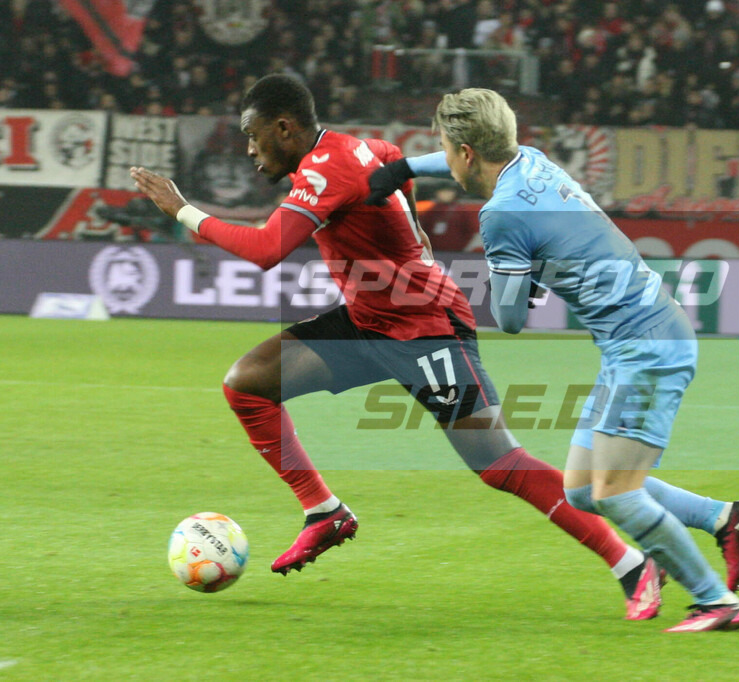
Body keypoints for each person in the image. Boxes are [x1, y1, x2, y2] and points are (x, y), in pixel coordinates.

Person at [130, 74, 664, 620]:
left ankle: (632, 563)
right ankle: (324, 512)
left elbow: (268, 248)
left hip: (425, 328)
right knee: (248, 384)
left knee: (499, 462)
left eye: (253, 135)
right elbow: (392, 167)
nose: (249, 149)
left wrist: (182, 209)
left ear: (284, 128)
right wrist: (412, 239)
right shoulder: (357, 149)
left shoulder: (326, 167)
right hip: (368, 321)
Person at [366, 88, 739, 633]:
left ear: (466, 153)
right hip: (637, 340)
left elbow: (509, 319)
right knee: (581, 488)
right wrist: (406, 169)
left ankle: (716, 602)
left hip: (646, 347)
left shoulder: (501, 215)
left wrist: (520, 279)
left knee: (616, 492)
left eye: (447, 150)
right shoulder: (531, 161)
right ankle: (725, 519)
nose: (447, 160)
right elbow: (465, 159)